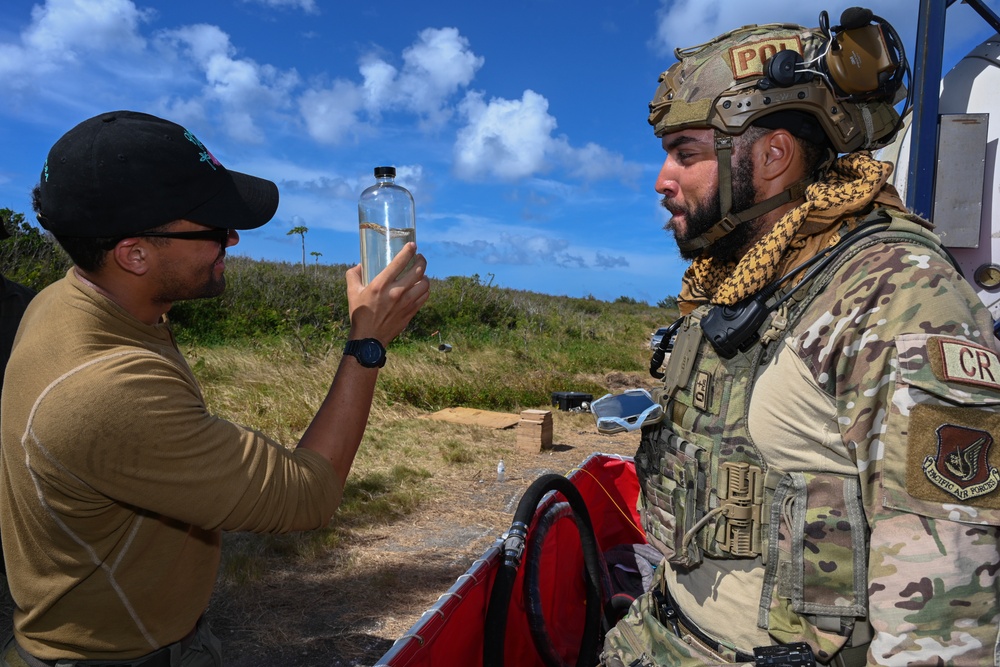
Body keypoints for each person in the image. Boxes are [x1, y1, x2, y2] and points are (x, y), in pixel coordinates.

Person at [602, 11, 1000, 667]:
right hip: (656, 633)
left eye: (688, 152)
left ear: (771, 155)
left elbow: (943, 633)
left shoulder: (897, 299)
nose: (662, 179)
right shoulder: (730, 290)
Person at [0, 110, 430, 667]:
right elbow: (309, 494)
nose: (231, 237)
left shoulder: (70, 303)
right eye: (211, 229)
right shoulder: (105, 390)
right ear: (134, 254)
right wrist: (366, 344)